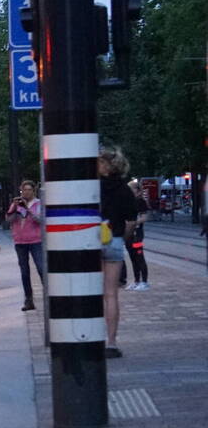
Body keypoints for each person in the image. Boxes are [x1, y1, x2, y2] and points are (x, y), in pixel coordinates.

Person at [98, 146, 138, 358]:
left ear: (105, 165)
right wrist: (123, 237)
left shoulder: (91, 187)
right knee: (111, 294)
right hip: (113, 240)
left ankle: (90, 336)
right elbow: (132, 220)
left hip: (92, 241)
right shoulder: (124, 189)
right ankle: (111, 343)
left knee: (92, 292)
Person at [6, 180, 44, 311]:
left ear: (33, 191)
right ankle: (28, 300)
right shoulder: (17, 204)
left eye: (29, 190)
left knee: (41, 268)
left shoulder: (38, 204)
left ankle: (48, 296)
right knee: (24, 272)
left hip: (36, 241)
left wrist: (28, 209)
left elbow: (40, 220)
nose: (26, 193)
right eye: (24, 190)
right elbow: (9, 220)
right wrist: (14, 207)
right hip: (20, 241)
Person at [123, 180, 150, 290]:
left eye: (131, 189)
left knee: (139, 257)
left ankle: (144, 282)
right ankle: (136, 281)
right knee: (133, 257)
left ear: (138, 190)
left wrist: (134, 222)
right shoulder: (128, 202)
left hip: (137, 234)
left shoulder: (140, 202)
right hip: (129, 233)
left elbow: (144, 217)